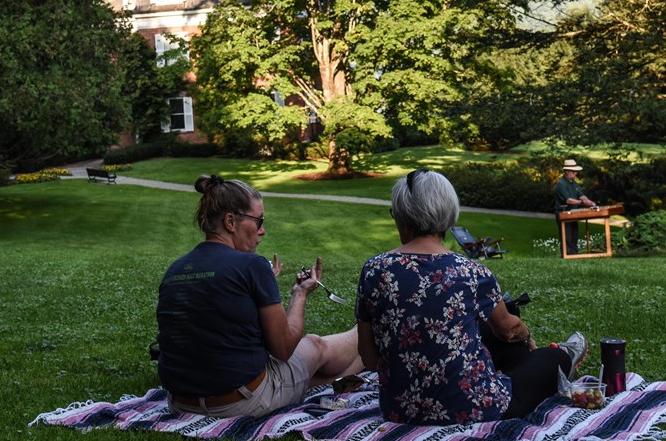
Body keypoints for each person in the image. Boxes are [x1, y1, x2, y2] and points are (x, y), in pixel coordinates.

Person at [355, 170, 588, 425]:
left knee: (488, 336)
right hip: (471, 409)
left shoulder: (374, 270)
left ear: (402, 217)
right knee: (551, 359)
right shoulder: (470, 271)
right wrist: (527, 336)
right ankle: (567, 354)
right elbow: (509, 330)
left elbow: (368, 358)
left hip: (398, 410)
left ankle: (518, 362)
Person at [155, 175, 362, 417]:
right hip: (236, 404)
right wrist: (300, 294)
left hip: (181, 403)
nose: (262, 231)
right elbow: (283, 349)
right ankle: (368, 333)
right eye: (259, 220)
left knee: (312, 371)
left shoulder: (176, 269)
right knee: (315, 345)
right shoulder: (252, 265)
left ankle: (365, 359)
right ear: (230, 222)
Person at [554, 158, 597, 255]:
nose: (576, 173)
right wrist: (582, 203)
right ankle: (566, 255)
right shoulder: (561, 184)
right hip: (563, 213)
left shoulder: (574, 183)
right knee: (567, 237)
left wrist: (590, 202)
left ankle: (574, 255)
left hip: (573, 214)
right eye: (574, 171)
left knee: (574, 236)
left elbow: (581, 195)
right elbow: (568, 200)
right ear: (567, 171)